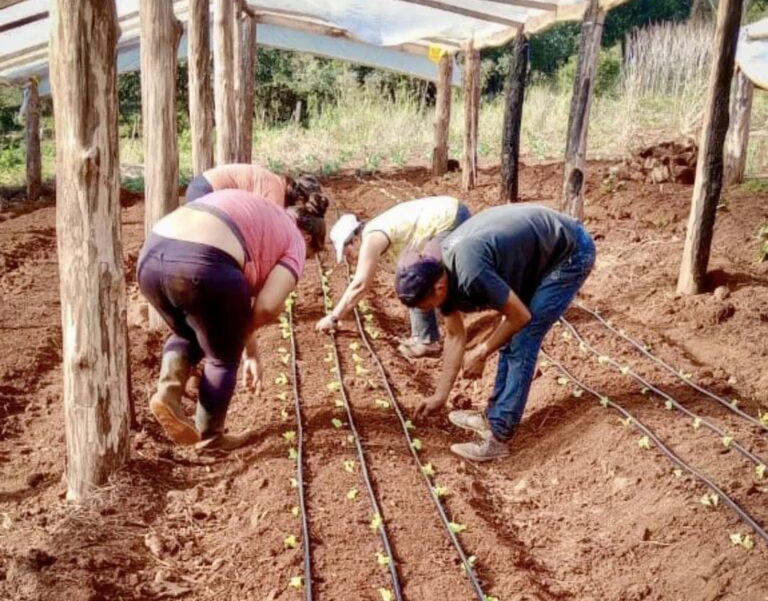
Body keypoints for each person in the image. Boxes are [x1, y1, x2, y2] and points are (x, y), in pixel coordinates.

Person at [394, 203, 595, 462]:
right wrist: (440, 396)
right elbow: (455, 336)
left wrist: (482, 351)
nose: (427, 312)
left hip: (569, 252)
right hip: (537, 252)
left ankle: (499, 436)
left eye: (425, 306)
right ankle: (492, 417)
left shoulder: (469, 270)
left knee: (524, 336)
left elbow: (520, 316)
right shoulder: (437, 271)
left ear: (439, 287)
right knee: (511, 331)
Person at [137, 189, 328, 449]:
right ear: (308, 236)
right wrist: (240, 335)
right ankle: (210, 438)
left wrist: (251, 349)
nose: (304, 261)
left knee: (190, 332)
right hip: (204, 263)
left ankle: (168, 393)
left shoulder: (264, 211)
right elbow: (268, 307)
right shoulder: (295, 239)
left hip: (151, 256)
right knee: (223, 356)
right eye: (311, 255)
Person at [316, 196, 471, 359]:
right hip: (448, 215)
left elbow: (361, 284)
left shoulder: (372, 237)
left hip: (450, 220)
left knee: (417, 278)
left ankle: (428, 342)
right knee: (411, 277)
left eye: (348, 252)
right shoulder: (374, 236)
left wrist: (334, 317)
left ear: (355, 240)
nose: (349, 258)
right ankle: (424, 336)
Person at [185, 162, 321, 208]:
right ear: (300, 198)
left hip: (201, 185)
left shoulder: (276, 182)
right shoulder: (275, 195)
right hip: (207, 191)